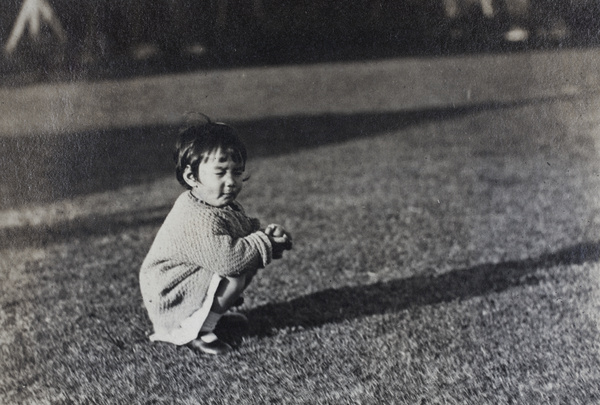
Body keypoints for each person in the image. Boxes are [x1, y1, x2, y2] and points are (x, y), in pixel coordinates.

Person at [139, 115, 292, 355]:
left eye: (237, 172)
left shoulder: (215, 204)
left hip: (186, 283)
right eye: (220, 173)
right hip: (171, 297)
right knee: (235, 274)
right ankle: (198, 331)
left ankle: (210, 319)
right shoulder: (198, 216)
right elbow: (229, 260)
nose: (231, 182)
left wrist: (267, 237)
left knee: (245, 262)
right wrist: (264, 242)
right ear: (192, 178)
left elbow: (241, 235)